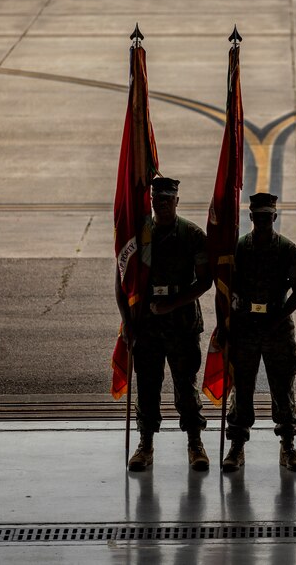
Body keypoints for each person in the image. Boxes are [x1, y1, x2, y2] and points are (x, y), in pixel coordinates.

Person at [116, 177, 213, 472]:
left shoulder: (192, 235)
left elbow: (205, 280)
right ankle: (145, 444)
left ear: (177, 202)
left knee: (186, 386)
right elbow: (122, 283)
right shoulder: (139, 236)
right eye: (158, 200)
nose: (163, 204)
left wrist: (173, 303)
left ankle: (195, 442)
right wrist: (128, 324)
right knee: (147, 385)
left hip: (181, 323)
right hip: (146, 326)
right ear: (152, 202)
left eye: (168, 200)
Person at [222, 193, 296, 472]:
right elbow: (226, 285)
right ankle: (236, 445)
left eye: (267, 216)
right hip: (245, 328)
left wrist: (277, 318)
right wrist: (232, 320)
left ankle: (288, 445)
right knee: (242, 387)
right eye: (257, 216)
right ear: (251, 218)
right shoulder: (239, 249)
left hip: (277, 329)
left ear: (274, 217)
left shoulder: (288, 249)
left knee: (283, 387)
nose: (262, 221)